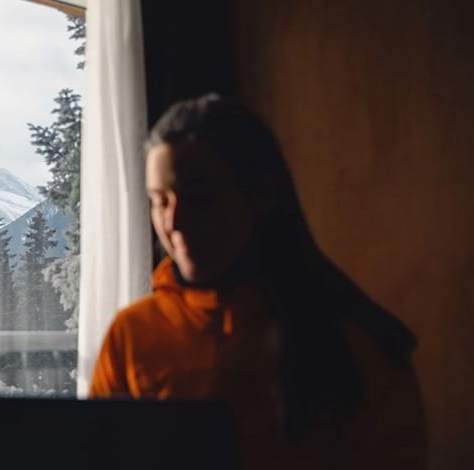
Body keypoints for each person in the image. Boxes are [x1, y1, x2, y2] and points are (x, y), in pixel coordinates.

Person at [89, 95, 427, 469]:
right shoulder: (132, 335)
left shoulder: (358, 343)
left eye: (199, 197)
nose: (174, 221)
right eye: (160, 201)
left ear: (258, 194)